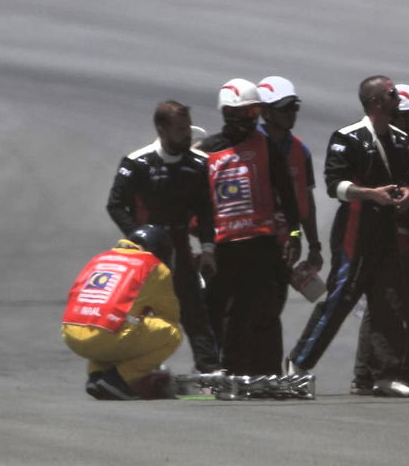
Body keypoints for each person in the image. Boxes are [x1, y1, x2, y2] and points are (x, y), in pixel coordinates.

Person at [286, 75, 409, 397]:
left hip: (387, 230)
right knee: (340, 298)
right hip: (355, 230)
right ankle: (298, 364)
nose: (398, 98)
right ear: (375, 101)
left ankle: (386, 374)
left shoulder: (400, 139)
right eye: (392, 94)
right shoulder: (347, 137)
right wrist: (371, 193)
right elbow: (334, 185)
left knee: (389, 301)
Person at [105, 100, 220, 373]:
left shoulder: (198, 164)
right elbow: (115, 205)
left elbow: (206, 210)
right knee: (140, 315)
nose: (187, 135)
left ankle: (209, 373)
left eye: (188, 128)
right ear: (161, 129)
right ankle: (136, 371)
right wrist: (138, 237)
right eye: (180, 130)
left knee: (195, 312)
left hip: (180, 249)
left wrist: (208, 250)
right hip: (143, 254)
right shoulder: (137, 163)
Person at [199, 79, 302, 376]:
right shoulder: (207, 151)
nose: (251, 118)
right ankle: (220, 370)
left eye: (254, 111)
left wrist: (294, 234)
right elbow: (197, 202)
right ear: (228, 112)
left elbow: (288, 194)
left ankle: (267, 373)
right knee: (220, 310)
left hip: (262, 244)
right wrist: (204, 244)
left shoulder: (266, 146)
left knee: (265, 310)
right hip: (223, 246)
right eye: (245, 112)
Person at [349, 82, 409, 395]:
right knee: (384, 306)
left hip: (406, 238)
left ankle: (391, 369)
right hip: (391, 238)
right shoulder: (391, 148)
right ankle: (366, 374)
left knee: (397, 306)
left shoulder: (401, 145)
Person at [63, 225, 182, 400]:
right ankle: (119, 380)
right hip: (106, 337)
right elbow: (169, 314)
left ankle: (97, 375)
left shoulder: (100, 258)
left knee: (112, 324)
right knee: (173, 333)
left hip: (71, 333)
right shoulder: (153, 265)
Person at [257, 76, 323, 299]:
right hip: (251, 245)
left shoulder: (299, 151)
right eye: (284, 109)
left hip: (285, 247)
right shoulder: (248, 145)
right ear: (265, 112)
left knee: (272, 307)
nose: (291, 113)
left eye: (294, 107)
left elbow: (306, 202)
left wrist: (314, 245)